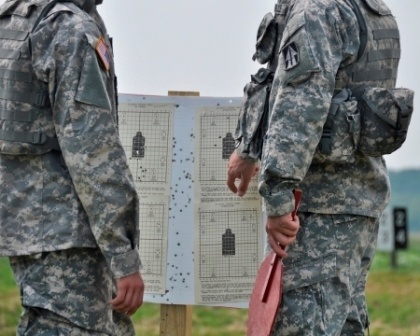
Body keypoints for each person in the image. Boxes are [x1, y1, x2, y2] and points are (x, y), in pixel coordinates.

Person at [228, 0, 411, 334]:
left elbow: (300, 108)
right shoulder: (368, 8)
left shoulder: (318, 10)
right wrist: (249, 148)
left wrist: (279, 196)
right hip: (356, 205)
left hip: (318, 212)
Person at [0, 0, 144, 335]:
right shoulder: (71, 29)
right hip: (67, 233)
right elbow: (94, 152)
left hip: (27, 226)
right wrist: (124, 257)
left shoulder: (17, 17)